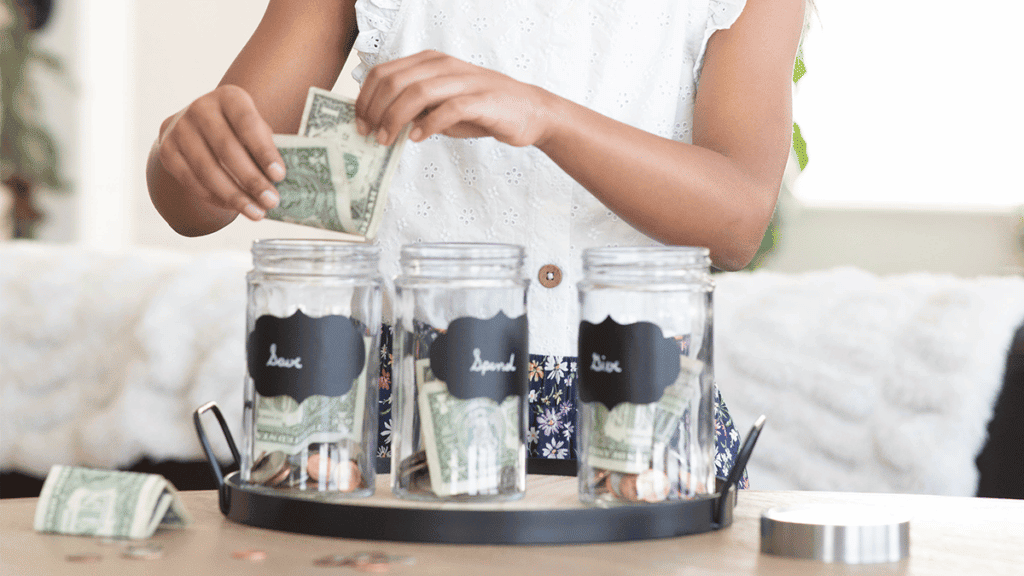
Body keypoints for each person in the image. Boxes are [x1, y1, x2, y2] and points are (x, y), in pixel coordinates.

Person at [147, 0, 807, 484]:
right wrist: (187, 144)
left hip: (639, 412)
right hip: (403, 413)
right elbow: (194, 204)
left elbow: (738, 218)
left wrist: (544, 116)